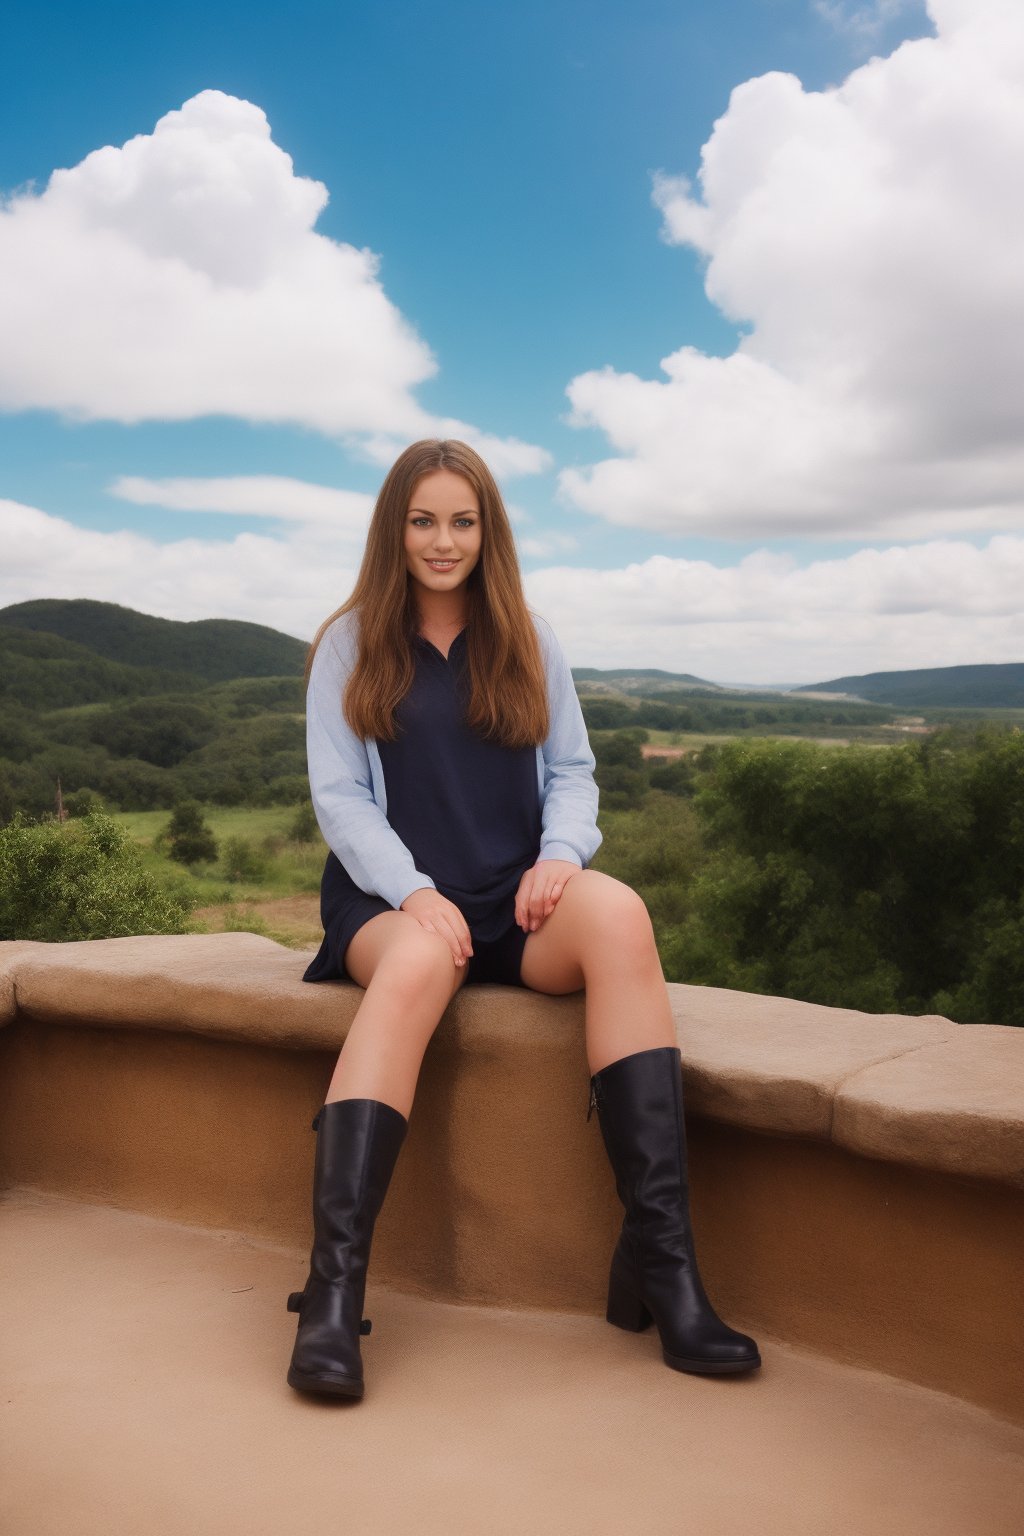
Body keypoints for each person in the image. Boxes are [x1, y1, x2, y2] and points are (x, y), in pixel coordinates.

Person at [287, 438, 760, 1398]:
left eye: (462, 520)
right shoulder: (348, 642)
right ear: (394, 528)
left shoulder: (530, 638)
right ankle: (334, 1294)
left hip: (518, 896)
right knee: (419, 967)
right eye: (423, 520)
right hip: (392, 900)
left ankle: (664, 1269)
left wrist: (560, 859)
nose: (443, 539)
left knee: (621, 915)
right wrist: (415, 894)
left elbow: (574, 775)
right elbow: (340, 801)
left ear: (488, 529)